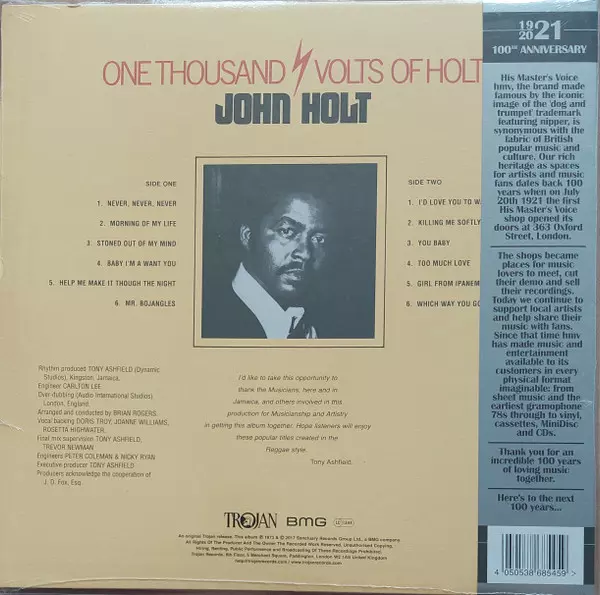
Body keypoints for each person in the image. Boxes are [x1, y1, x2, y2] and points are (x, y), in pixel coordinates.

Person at [202, 190, 331, 339]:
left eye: (319, 239)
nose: (306, 253)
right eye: (286, 231)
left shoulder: (332, 322)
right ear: (247, 236)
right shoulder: (205, 323)